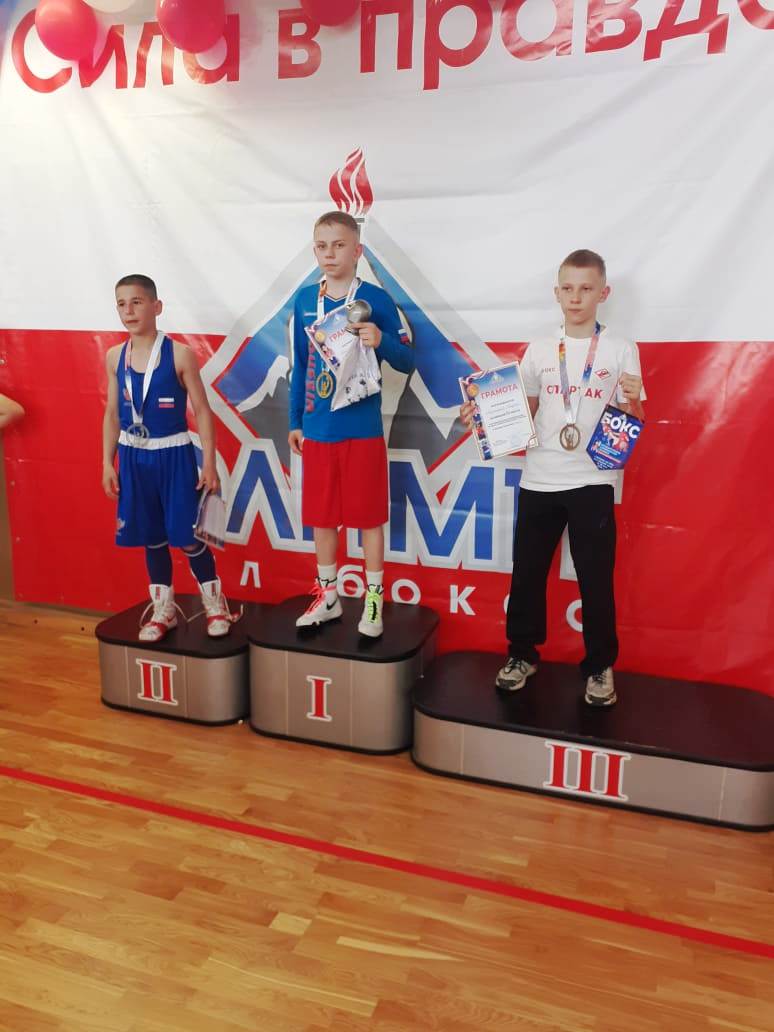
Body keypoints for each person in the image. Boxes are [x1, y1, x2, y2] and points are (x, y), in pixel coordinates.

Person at [462, 250, 645, 706]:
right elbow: (521, 410)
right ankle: (521, 655)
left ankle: (600, 666)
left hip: (593, 481)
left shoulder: (622, 348)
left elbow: (632, 419)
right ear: (556, 293)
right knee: (527, 574)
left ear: (604, 293)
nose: (576, 297)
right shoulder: (541, 348)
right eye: (568, 288)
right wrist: (481, 415)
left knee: (595, 579)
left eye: (586, 288)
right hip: (540, 477)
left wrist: (634, 402)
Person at [288, 211, 414, 637]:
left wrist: (382, 339)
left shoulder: (375, 299)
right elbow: (300, 365)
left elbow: (407, 359)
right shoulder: (305, 300)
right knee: (322, 519)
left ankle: (373, 602)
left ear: (357, 250)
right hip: (318, 428)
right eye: (322, 246)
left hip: (361, 429)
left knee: (369, 518)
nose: (329, 254)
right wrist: (295, 420)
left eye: (339, 245)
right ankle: (328, 598)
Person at [102, 274, 233, 641]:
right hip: (132, 457)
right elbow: (111, 413)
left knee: (188, 537)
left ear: (156, 306)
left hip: (173, 456)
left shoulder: (180, 354)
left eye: (137, 302)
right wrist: (106, 463)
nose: (129, 310)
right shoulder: (114, 356)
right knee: (152, 537)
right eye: (122, 304)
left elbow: (203, 411)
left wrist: (209, 463)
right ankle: (164, 610)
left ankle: (215, 605)